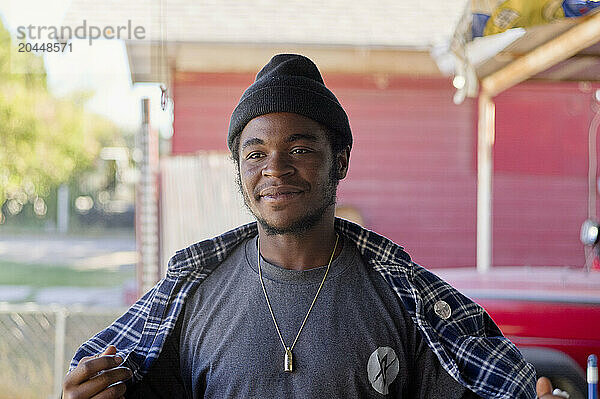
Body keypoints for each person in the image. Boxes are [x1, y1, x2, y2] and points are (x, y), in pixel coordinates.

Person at [62, 54, 567, 399]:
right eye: (255, 153)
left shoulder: (405, 300)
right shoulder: (192, 297)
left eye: (300, 149)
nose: (275, 170)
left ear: (340, 161)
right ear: (238, 169)